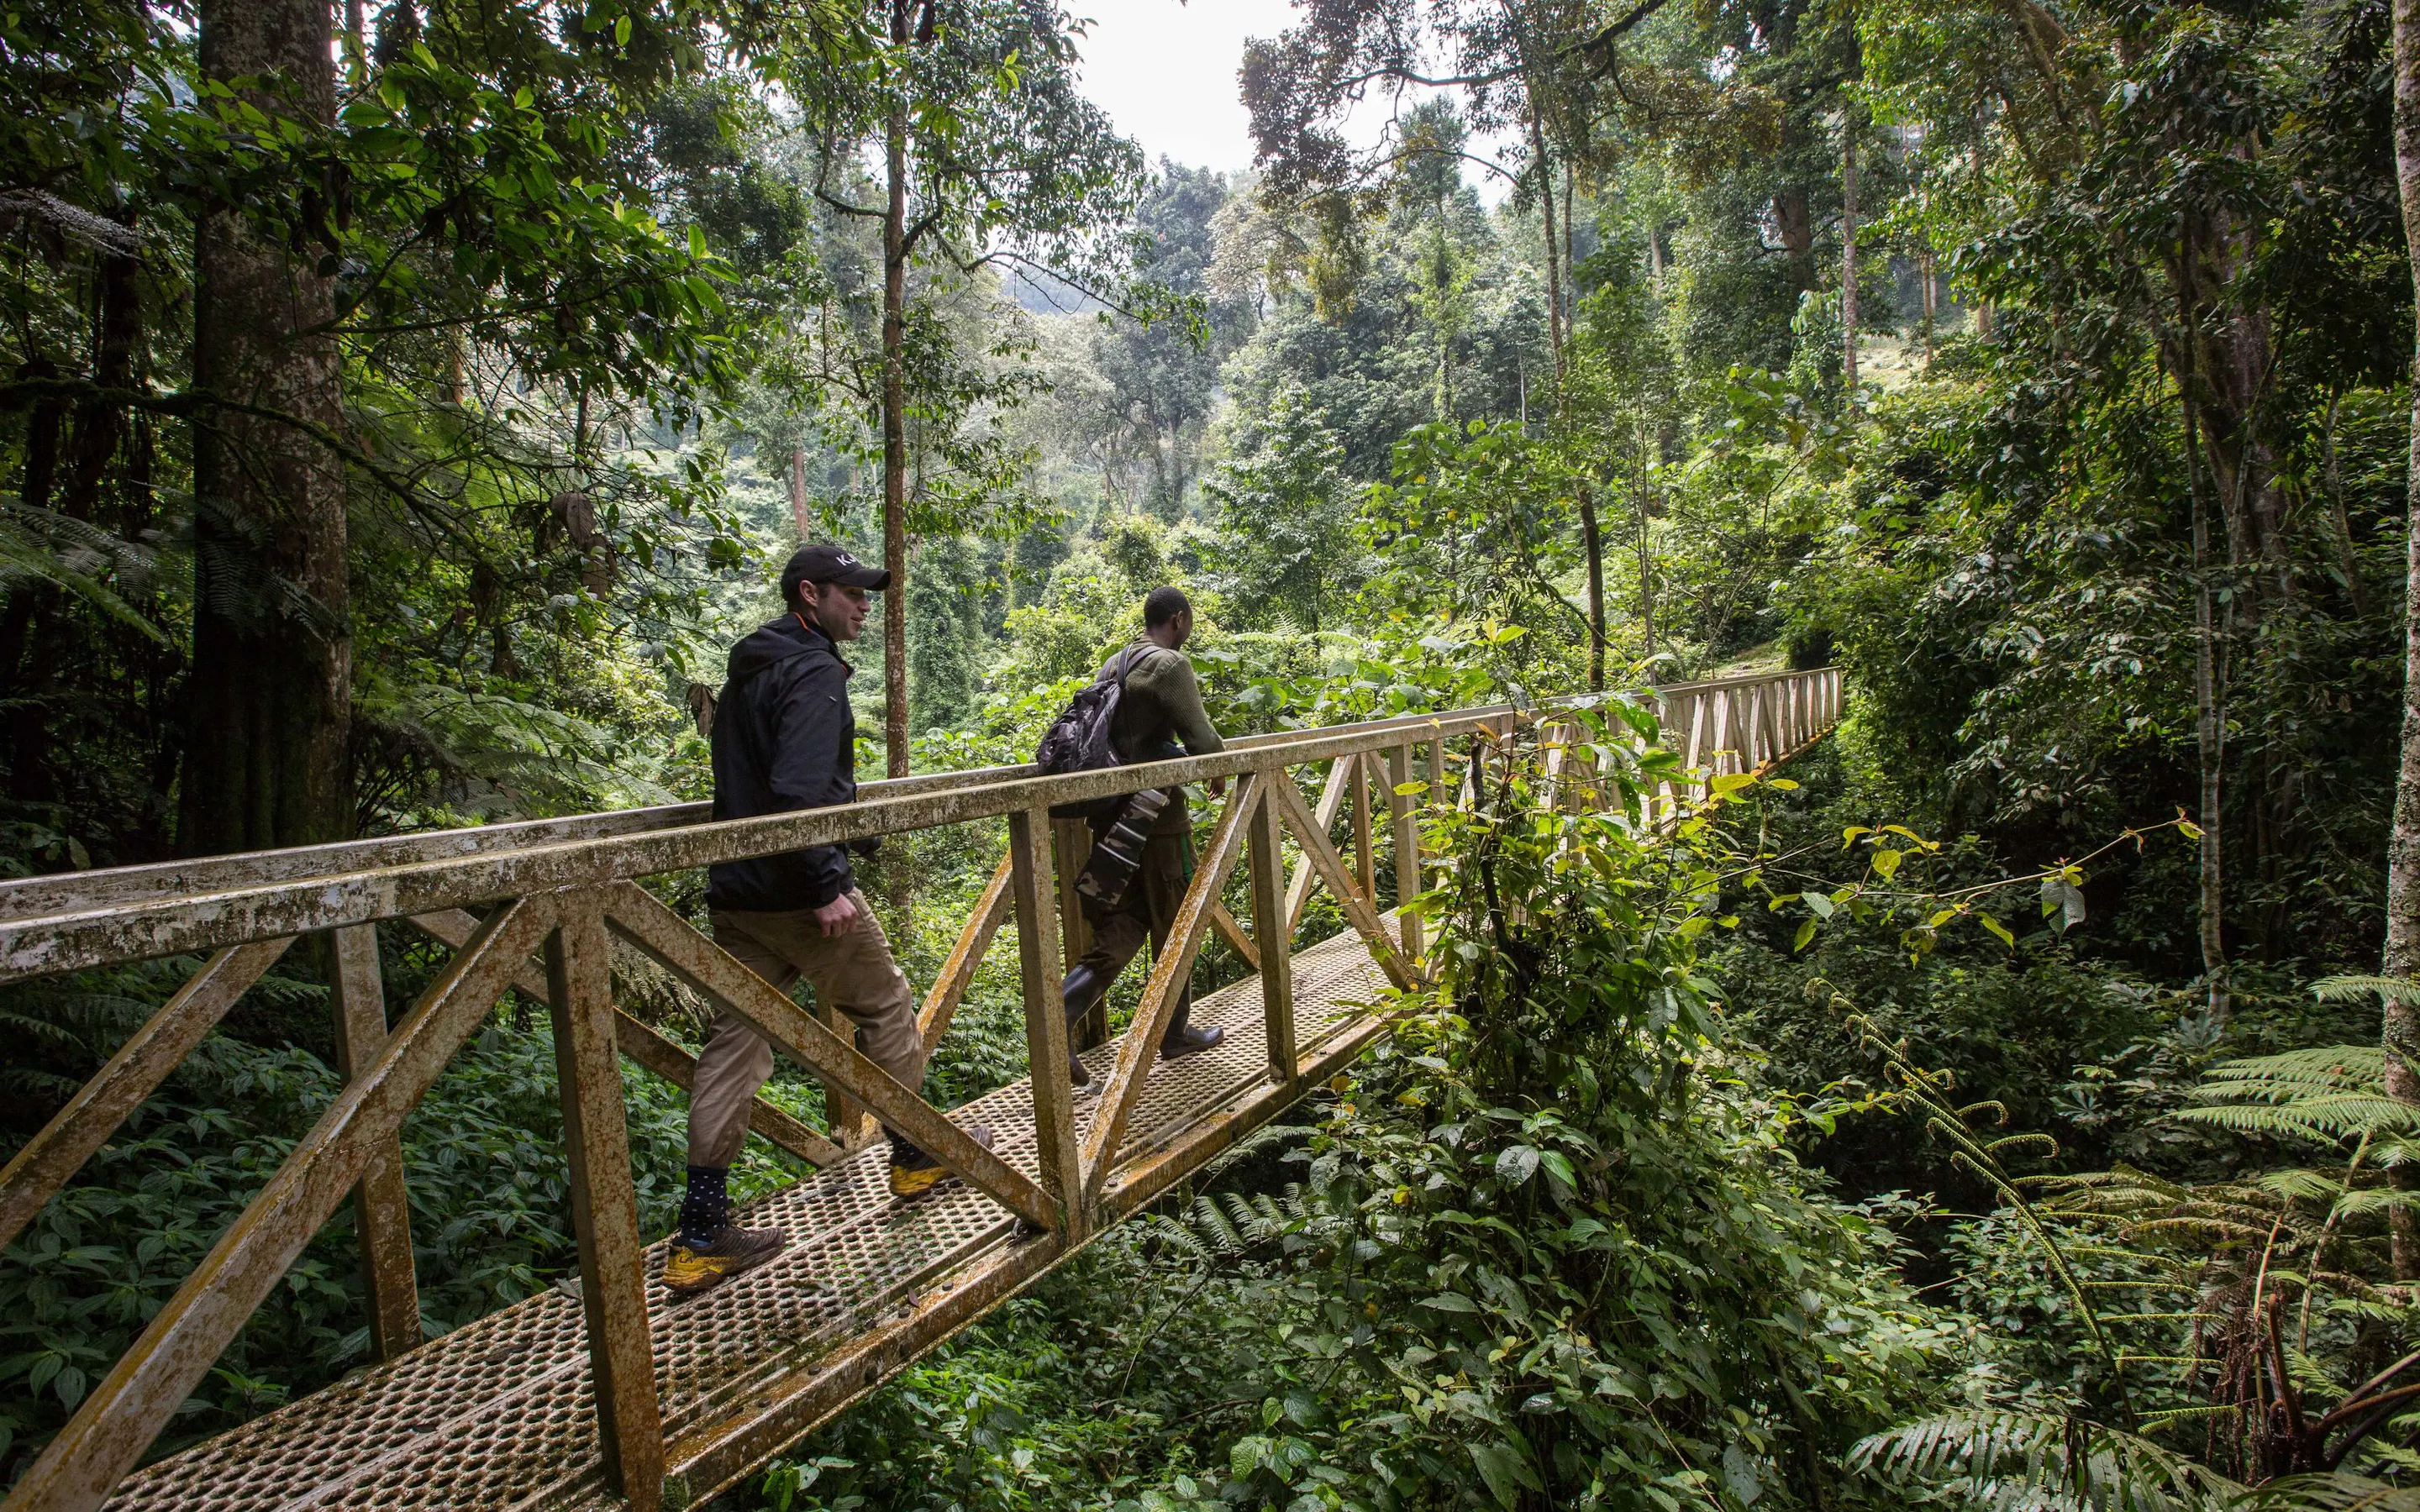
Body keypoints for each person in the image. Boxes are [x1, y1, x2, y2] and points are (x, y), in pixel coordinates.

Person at [665, 543, 992, 1299]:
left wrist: (850, 829)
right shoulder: (813, 671)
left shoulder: (751, 664)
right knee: (884, 1004)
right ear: (809, 594)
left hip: (737, 892)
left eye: (868, 593)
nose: (865, 605)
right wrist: (825, 880)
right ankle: (914, 1155)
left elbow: (759, 781)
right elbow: (799, 790)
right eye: (852, 593)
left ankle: (703, 1231)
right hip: (796, 892)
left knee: (735, 1040)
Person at [1059, 585, 1229, 1087]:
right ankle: (1174, 1033)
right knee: (1178, 920)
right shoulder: (1169, 666)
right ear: (1178, 620)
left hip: (1113, 823)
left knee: (1126, 925)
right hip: (1158, 823)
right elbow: (1202, 740)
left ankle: (1060, 1015)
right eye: (1189, 624)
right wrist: (1216, 764)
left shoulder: (1115, 662)